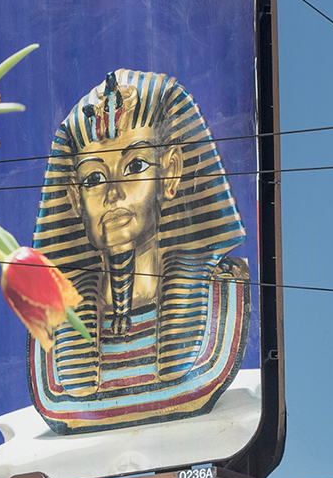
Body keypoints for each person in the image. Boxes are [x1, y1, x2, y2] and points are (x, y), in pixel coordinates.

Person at [26, 68, 252, 434]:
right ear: (73, 198)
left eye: (134, 166)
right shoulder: (51, 337)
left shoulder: (221, 300)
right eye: (94, 178)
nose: (113, 195)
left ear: (172, 172)